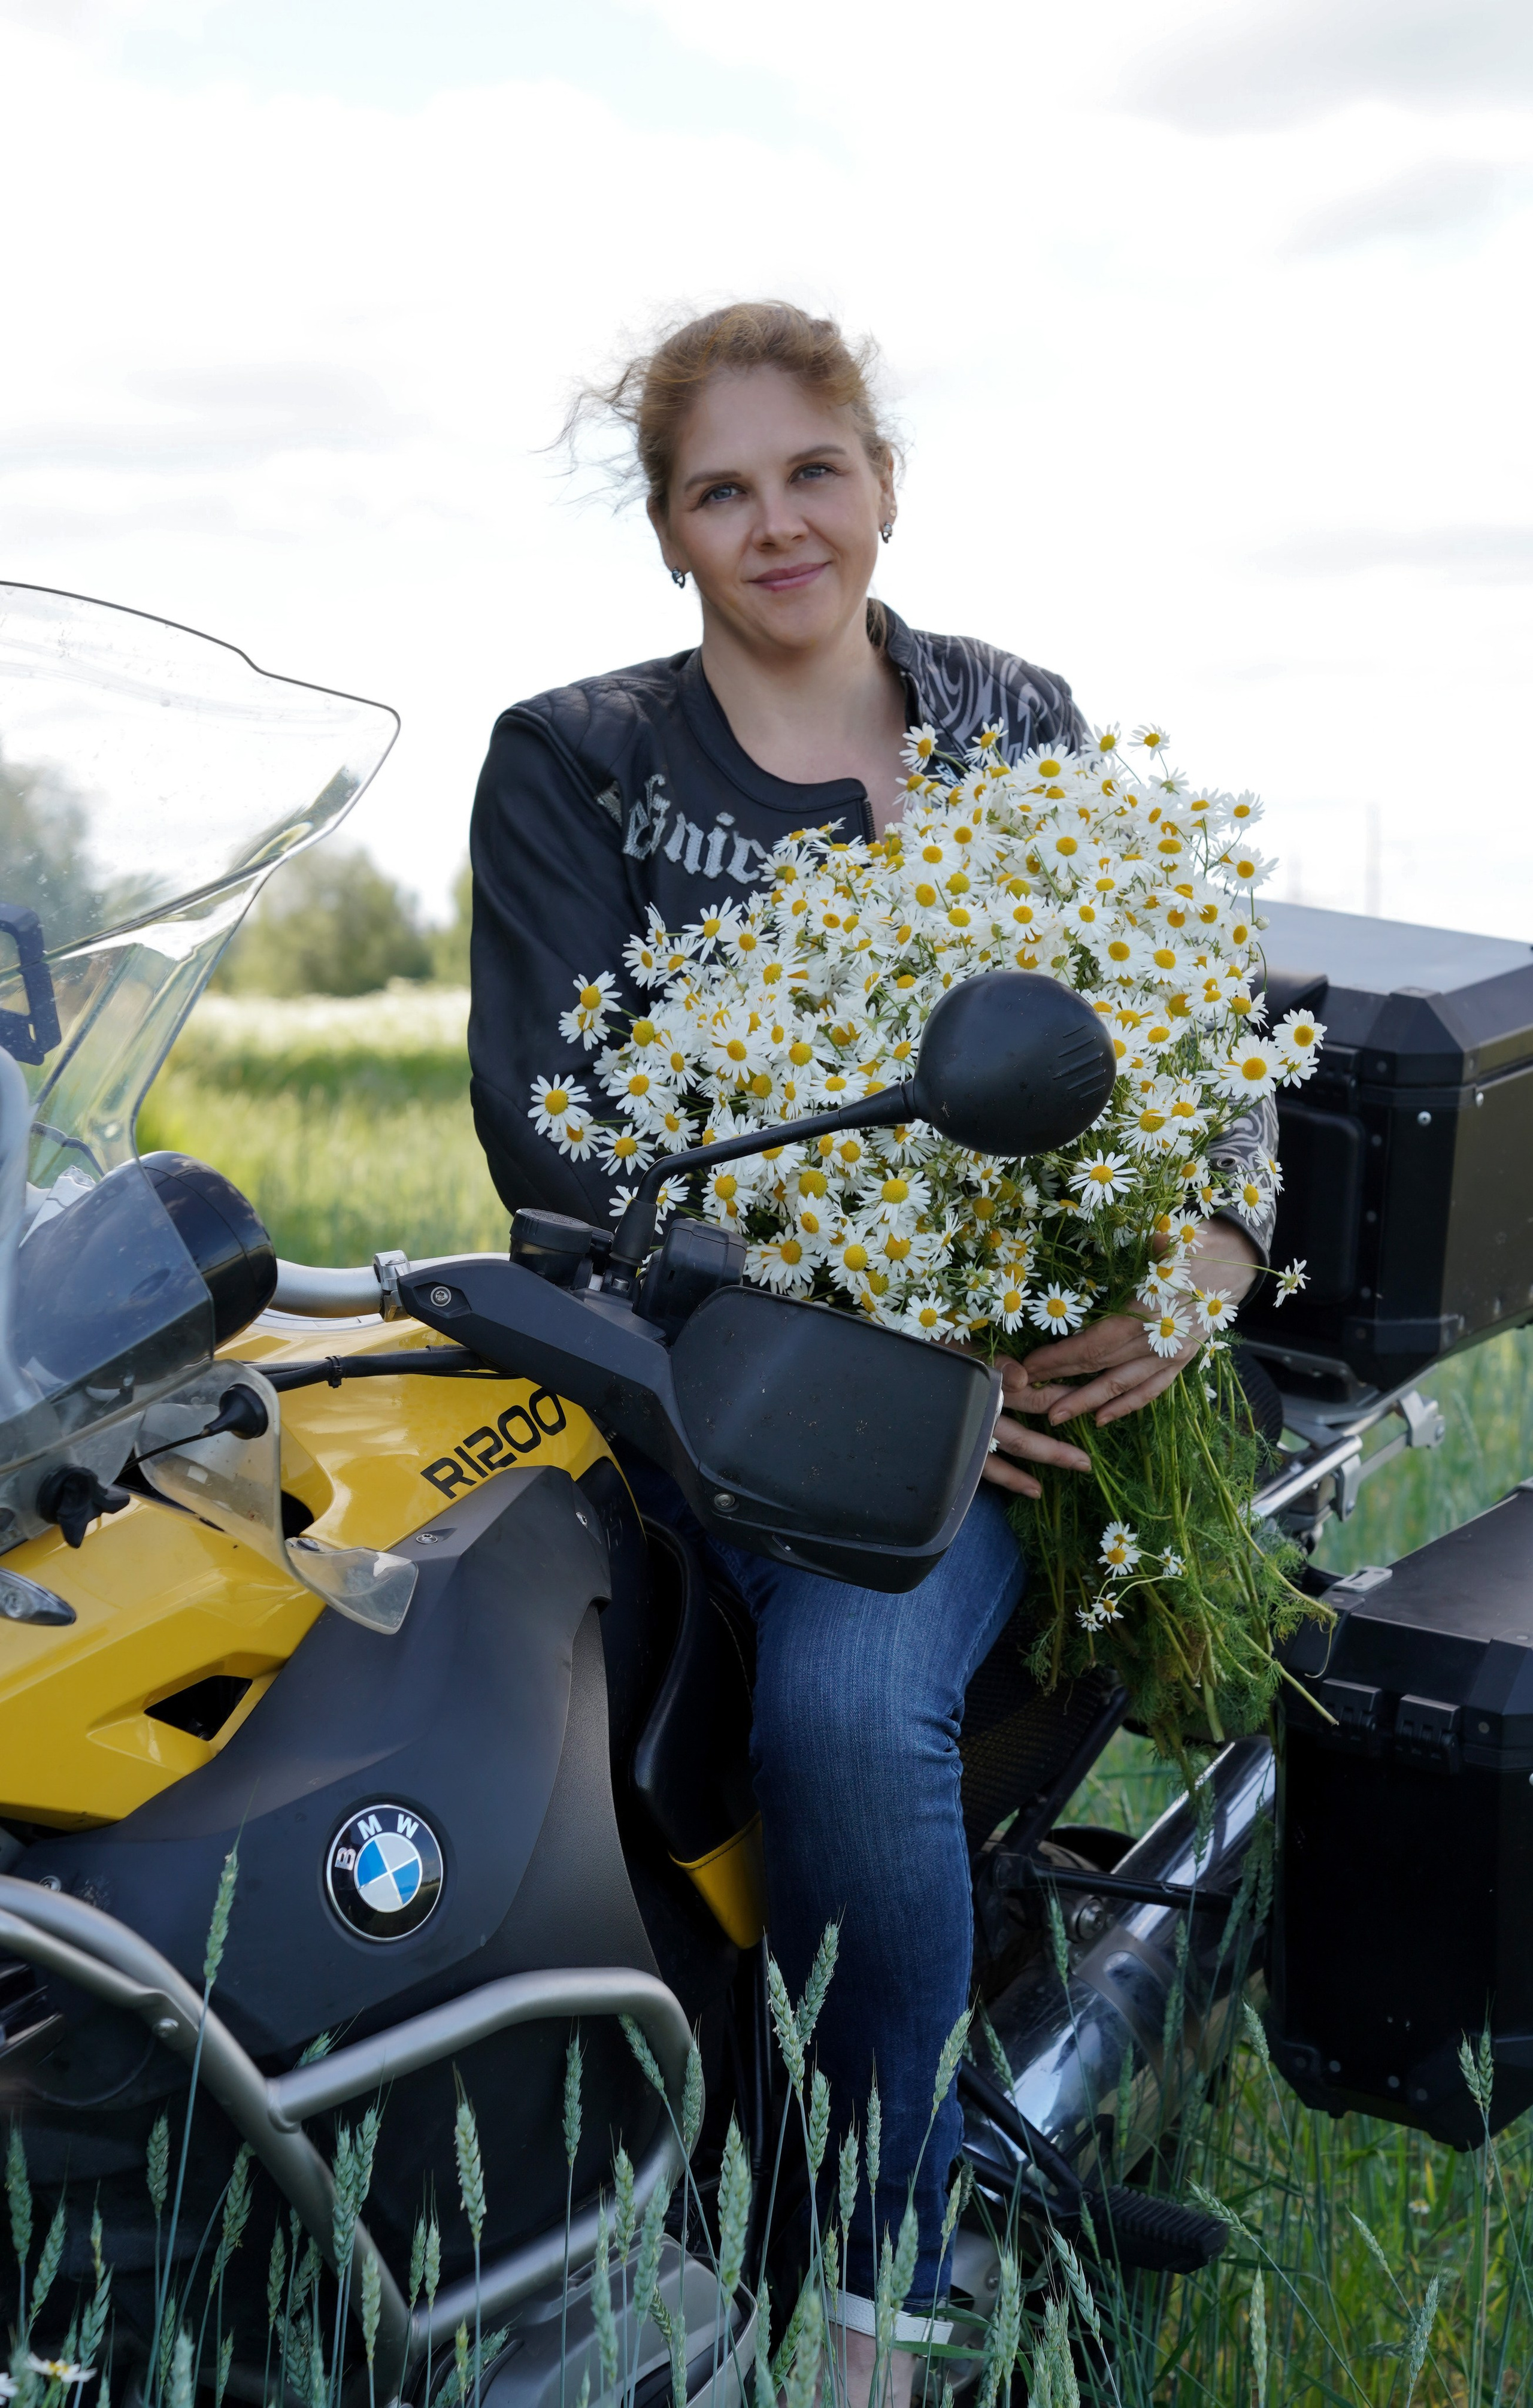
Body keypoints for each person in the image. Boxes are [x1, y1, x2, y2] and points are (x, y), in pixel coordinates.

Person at [468, 302, 1273, 2392]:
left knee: (843, 1705)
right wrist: (873, 1351)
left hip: (1027, 1413)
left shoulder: (1018, 714)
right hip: (717, 1399)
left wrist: (1199, 1257)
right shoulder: (580, 757)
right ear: (667, 537)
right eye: (719, 492)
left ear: (883, 479)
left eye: (810, 471)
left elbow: (1184, 1022)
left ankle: (877, 2303)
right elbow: (563, 1155)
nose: (776, 525)